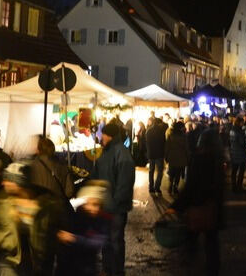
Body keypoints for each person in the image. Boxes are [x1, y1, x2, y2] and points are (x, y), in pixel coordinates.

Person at [0, 161, 67, 276]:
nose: (3, 183)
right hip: (10, 261)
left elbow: (58, 229)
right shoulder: (3, 201)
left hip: (38, 264)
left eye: (8, 180)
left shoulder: (47, 203)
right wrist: (6, 242)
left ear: (19, 183)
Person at [167, 128, 225, 275]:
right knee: (212, 243)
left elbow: (191, 186)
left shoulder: (199, 159)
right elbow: (219, 188)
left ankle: (189, 267)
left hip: (198, 206)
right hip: (213, 208)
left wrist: (177, 205)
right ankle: (212, 271)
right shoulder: (219, 160)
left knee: (191, 239)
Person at [91, 123, 136, 276]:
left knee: (116, 240)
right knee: (106, 239)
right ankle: (106, 268)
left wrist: (116, 202)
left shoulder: (122, 153)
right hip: (105, 205)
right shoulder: (106, 152)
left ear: (109, 135)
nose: (100, 137)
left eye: (102, 134)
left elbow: (125, 182)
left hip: (116, 207)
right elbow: (98, 174)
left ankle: (117, 271)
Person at [56, 180, 110, 276]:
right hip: (67, 267)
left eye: (96, 204)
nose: (92, 208)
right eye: (89, 203)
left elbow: (97, 242)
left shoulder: (101, 220)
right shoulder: (74, 216)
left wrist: (73, 238)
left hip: (88, 268)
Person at [165, 121, 189, 196]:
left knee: (172, 173)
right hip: (181, 157)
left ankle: (170, 185)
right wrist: (188, 157)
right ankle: (175, 187)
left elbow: (167, 147)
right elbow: (186, 148)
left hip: (172, 156)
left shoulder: (171, 135)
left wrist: (166, 156)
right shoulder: (184, 136)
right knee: (178, 174)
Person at [145, 117, 167, 195]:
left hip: (151, 154)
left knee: (151, 171)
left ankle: (151, 187)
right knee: (160, 171)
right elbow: (164, 143)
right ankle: (157, 187)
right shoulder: (161, 131)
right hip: (159, 154)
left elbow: (147, 143)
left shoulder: (149, 131)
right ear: (159, 123)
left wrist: (148, 153)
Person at [228, 117, 246, 193]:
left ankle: (234, 187)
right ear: (239, 122)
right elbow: (242, 142)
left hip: (233, 152)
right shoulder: (239, 131)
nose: (243, 124)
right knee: (241, 170)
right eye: (242, 122)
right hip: (240, 153)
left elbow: (230, 142)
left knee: (234, 171)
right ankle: (239, 186)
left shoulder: (232, 130)